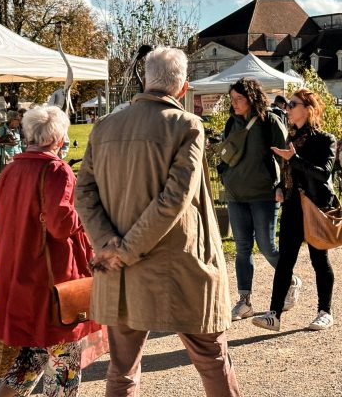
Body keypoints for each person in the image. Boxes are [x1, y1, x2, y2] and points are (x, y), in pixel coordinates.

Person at [75, 47, 239, 396]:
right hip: (179, 269)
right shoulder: (187, 125)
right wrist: (126, 249)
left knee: (122, 371)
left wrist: (110, 246)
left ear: (145, 80)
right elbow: (175, 198)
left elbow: (83, 194)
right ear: (183, 88)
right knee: (212, 359)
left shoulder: (104, 127)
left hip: (120, 271)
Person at [0, 106, 103, 397]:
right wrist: (87, 208)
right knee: (64, 357)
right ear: (57, 138)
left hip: (19, 268)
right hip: (52, 275)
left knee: (33, 352)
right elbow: (62, 225)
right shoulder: (56, 170)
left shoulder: (10, 170)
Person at [251, 87, 337, 332]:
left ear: (308, 109)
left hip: (313, 207)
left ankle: (325, 311)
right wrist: (280, 185)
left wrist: (294, 159)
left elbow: (323, 174)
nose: (287, 108)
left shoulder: (325, 140)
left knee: (319, 259)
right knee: (286, 261)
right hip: (291, 206)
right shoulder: (290, 138)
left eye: (293, 104)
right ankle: (274, 314)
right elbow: (290, 174)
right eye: (288, 104)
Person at [220, 78, 291, 320]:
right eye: (232, 99)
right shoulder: (232, 122)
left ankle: (289, 280)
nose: (235, 103)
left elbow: (285, 154)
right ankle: (244, 300)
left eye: (239, 98)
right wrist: (224, 176)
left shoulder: (269, 120)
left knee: (266, 246)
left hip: (263, 195)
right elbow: (225, 153)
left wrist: (282, 185)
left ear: (251, 97)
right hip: (235, 195)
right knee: (242, 249)